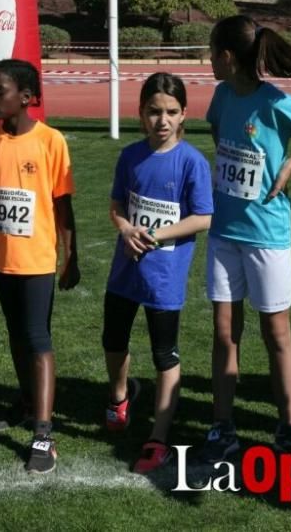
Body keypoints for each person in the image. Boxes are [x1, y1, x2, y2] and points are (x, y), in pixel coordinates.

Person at [199, 15, 291, 462]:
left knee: (275, 331)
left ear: (226, 56)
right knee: (225, 332)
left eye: (211, 51)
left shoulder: (275, 101)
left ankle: (288, 425)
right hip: (224, 232)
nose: (208, 59)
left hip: (267, 234)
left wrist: (290, 164)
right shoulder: (221, 97)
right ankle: (222, 425)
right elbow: (220, 136)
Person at [0, 58, 79, 475]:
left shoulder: (50, 142)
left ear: (25, 97)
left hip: (37, 260)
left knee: (37, 338)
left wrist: (70, 257)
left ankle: (44, 434)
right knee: (15, 335)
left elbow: (63, 205)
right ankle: (27, 404)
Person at [103, 72, 213, 474]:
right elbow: (116, 206)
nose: (161, 120)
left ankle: (159, 437)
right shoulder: (130, 156)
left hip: (164, 279)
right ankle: (119, 397)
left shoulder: (192, 163)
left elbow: (202, 218)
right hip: (124, 274)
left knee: (164, 353)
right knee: (113, 340)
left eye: (170, 112)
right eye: (153, 112)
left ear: (184, 115)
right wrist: (126, 228)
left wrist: (156, 233)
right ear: (141, 113)